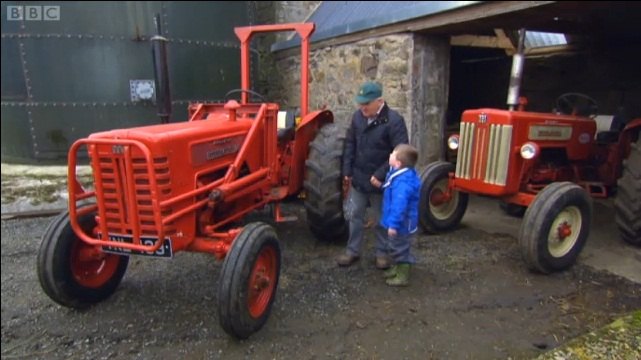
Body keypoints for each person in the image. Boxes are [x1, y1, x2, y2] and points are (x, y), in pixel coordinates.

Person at [337, 81, 409, 269]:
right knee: (354, 215)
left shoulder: (394, 121)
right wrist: (347, 171)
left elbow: (400, 153)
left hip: (381, 182)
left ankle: (382, 253)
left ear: (380, 101)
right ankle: (352, 251)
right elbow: (350, 145)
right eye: (360, 103)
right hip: (359, 178)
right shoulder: (357, 118)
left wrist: (381, 174)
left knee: (380, 218)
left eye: (366, 103)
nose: (362, 107)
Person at [380, 144, 421, 286]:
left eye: (392, 153)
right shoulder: (400, 174)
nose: (389, 154)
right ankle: (397, 268)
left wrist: (393, 224)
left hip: (401, 224)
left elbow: (399, 206)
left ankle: (402, 275)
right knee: (396, 245)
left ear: (398, 163)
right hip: (400, 222)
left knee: (400, 247)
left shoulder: (403, 182)